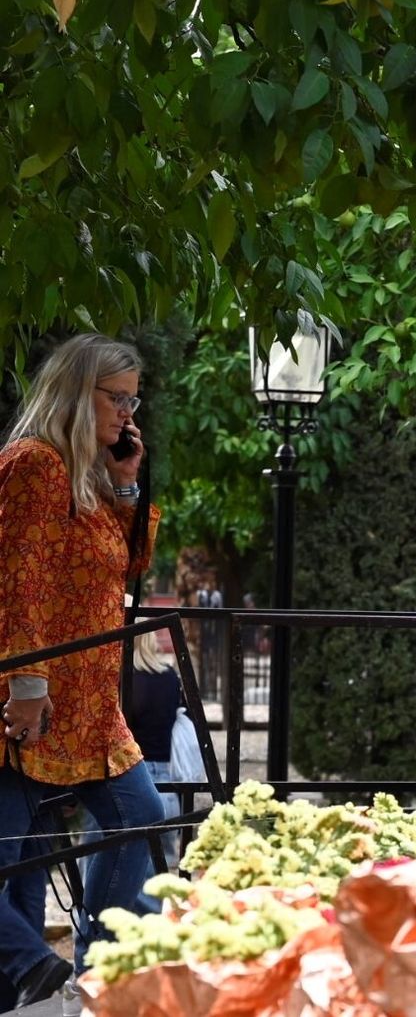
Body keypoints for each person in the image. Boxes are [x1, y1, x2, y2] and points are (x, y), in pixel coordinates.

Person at [1, 334, 166, 1003]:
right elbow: (20, 583)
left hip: (93, 706)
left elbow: (127, 570)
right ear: (77, 391)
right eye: (116, 397)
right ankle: (34, 969)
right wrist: (29, 688)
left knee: (141, 815)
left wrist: (127, 484)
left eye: (134, 399)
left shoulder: (92, 477)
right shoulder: (32, 464)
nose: (127, 413)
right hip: (33, 702)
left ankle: (97, 964)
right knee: (19, 870)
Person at [122, 611, 184, 867]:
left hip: (129, 778)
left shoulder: (123, 679)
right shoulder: (170, 677)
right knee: (161, 870)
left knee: (113, 864)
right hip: (167, 782)